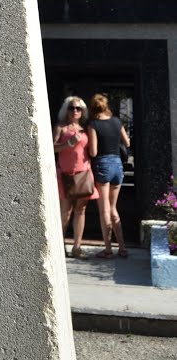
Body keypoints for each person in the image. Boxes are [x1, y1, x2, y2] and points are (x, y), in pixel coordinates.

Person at [53, 96, 97, 258]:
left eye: (79, 108)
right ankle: (59, 245)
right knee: (65, 211)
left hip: (84, 173)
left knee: (81, 210)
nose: (75, 111)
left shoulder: (86, 129)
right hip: (65, 174)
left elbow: (92, 151)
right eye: (72, 108)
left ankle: (77, 247)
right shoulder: (61, 127)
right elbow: (52, 147)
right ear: (66, 109)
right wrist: (68, 143)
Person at [87, 92, 131, 258]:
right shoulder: (117, 121)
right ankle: (122, 247)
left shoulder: (93, 125)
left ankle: (108, 249)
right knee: (113, 208)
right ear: (106, 106)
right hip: (117, 165)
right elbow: (127, 142)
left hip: (103, 165)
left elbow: (93, 151)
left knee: (104, 209)